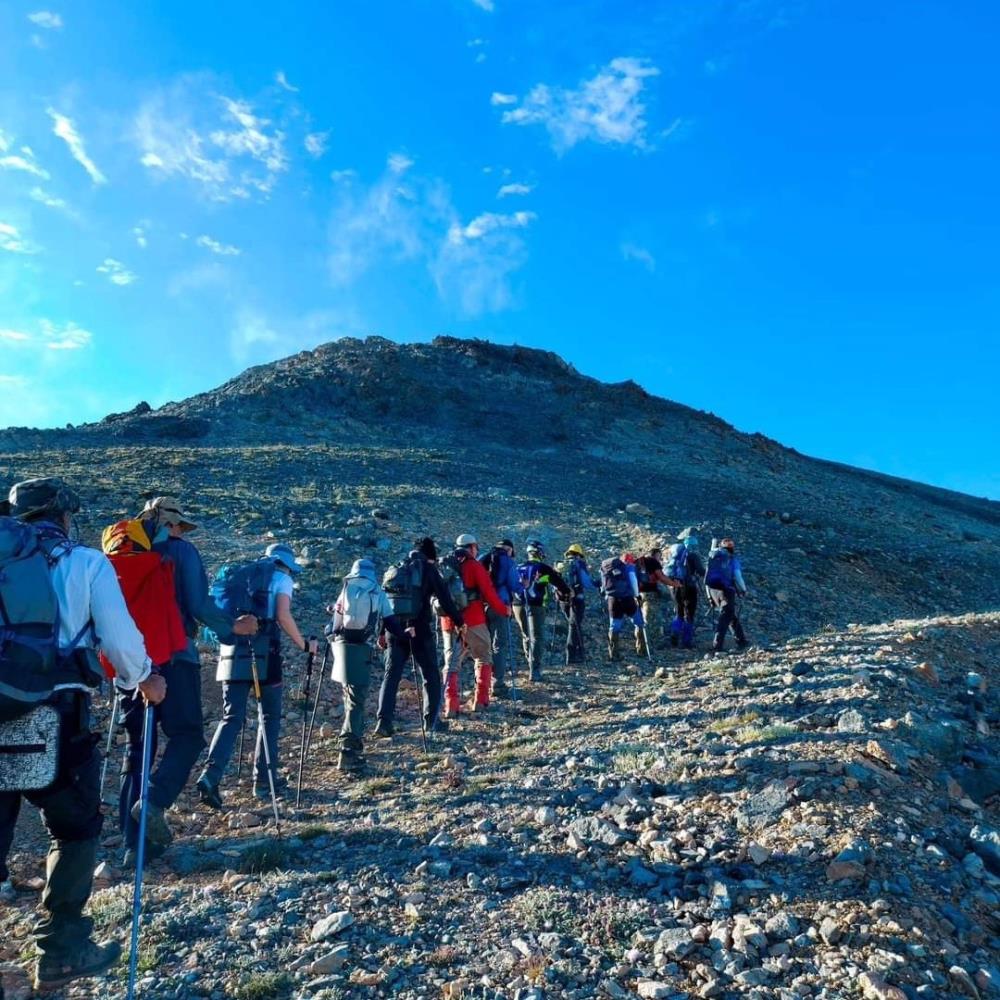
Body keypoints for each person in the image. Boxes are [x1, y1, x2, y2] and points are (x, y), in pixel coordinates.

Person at [0, 478, 165, 991]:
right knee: (74, 828)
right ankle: (61, 949)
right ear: (65, 514)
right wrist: (146, 678)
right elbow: (118, 635)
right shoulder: (86, 562)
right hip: (58, 712)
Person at [197, 543, 316, 808]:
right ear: (286, 565)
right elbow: (283, 616)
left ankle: (210, 775)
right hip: (266, 654)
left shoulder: (242, 577)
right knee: (270, 717)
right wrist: (304, 645)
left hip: (231, 653)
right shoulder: (281, 578)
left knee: (231, 717)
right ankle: (264, 781)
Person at [375, 538, 462, 737]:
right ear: (431, 555)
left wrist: (381, 632)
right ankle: (431, 721)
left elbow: (385, 603)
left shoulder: (396, 569)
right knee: (430, 674)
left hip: (394, 630)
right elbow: (445, 598)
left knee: (391, 675)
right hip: (420, 629)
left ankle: (383, 722)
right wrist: (459, 622)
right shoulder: (428, 570)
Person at [330, 558, 408, 770]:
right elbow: (391, 622)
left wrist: (330, 635)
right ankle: (348, 752)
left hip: (342, 647)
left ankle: (349, 744)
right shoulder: (376, 591)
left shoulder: (346, 589)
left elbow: (333, 625)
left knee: (349, 697)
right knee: (357, 701)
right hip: (362, 649)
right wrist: (405, 634)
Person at [442, 534, 510, 711]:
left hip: (448, 621)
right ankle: (481, 701)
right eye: (476, 547)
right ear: (471, 547)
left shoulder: (445, 567)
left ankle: (451, 705)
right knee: (483, 657)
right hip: (474, 620)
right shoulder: (474, 566)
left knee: (451, 662)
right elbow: (488, 593)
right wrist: (504, 610)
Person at [512, 541, 572, 682]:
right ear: (539, 553)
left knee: (525, 635)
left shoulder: (519, 567)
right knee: (537, 637)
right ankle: (535, 670)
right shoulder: (543, 567)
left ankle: (530, 663)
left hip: (517, 605)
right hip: (535, 605)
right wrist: (568, 593)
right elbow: (560, 583)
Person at [478, 539, 521, 696]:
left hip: (482, 606)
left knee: (485, 644)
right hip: (501, 606)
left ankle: (482, 683)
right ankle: (498, 684)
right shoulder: (508, 561)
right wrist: (525, 584)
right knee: (499, 645)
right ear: (509, 549)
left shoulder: (484, 557)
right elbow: (514, 585)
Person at [706, 537, 750, 653]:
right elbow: (737, 575)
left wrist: (709, 596)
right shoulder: (731, 558)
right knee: (726, 615)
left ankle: (741, 640)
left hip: (713, 589)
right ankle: (717, 645)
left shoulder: (713, 556)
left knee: (730, 615)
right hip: (726, 589)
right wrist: (743, 589)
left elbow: (707, 574)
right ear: (732, 548)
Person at [600, 552, 646, 662]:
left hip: (612, 600)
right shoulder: (629, 567)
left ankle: (613, 654)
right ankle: (641, 649)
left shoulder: (606, 568)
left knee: (614, 625)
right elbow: (634, 582)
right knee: (638, 622)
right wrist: (637, 595)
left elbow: (603, 586)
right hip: (627, 599)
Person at [667, 535, 706, 649]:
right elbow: (701, 571)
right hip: (690, 587)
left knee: (678, 612)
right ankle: (686, 641)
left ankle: (674, 632)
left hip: (676, 585)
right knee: (689, 614)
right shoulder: (693, 556)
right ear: (694, 545)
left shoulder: (676, 555)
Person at [636, 546, 676, 653]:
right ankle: (650, 646)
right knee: (651, 620)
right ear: (656, 554)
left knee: (640, 619)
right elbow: (662, 578)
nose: (661, 559)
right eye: (660, 556)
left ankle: (640, 645)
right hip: (650, 595)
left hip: (638, 595)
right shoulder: (654, 562)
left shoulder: (639, 561)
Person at [562, 543, 595, 664]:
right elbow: (587, 583)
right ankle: (571, 656)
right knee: (574, 625)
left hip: (562, 599)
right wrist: (598, 584)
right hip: (577, 598)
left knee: (574, 625)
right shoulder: (578, 564)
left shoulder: (561, 564)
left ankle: (579, 652)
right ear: (579, 555)